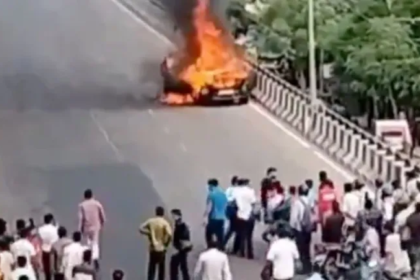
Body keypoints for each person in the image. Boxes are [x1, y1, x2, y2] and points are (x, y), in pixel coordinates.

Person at [139, 206, 172, 280]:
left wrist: (148, 233)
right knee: (161, 269)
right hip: (161, 248)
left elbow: (140, 228)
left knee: (152, 268)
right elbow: (169, 234)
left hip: (153, 248)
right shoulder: (164, 223)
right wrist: (166, 243)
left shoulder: (151, 221)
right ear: (163, 213)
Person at [78, 189, 106, 268]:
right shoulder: (97, 204)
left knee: (88, 242)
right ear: (92, 195)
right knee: (95, 242)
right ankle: (95, 257)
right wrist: (102, 223)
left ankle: (88, 257)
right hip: (96, 226)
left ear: (84, 196)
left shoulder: (82, 205)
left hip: (86, 226)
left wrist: (79, 229)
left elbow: (81, 218)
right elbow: (102, 215)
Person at [231, 178, 256, 259]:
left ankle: (241, 252)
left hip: (240, 214)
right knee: (249, 236)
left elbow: (233, 202)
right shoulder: (250, 191)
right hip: (249, 214)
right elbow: (253, 203)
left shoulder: (236, 192)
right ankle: (250, 253)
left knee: (242, 234)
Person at [204, 179, 228, 250]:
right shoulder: (223, 193)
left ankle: (210, 247)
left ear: (211, 185)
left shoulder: (211, 194)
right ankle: (221, 247)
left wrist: (205, 216)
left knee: (208, 232)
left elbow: (209, 207)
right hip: (222, 217)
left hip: (213, 217)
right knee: (220, 234)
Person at [170, 209, 191, 280]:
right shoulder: (178, 225)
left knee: (177, 266)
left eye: (174, 215)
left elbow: (184, 238)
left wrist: (179, 248)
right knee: (183, 267)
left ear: (179, 216)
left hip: (181, 250)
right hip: (180, 249)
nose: (172, 217)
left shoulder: (182, 226)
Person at [38, 214, 58, 280]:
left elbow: (40, 239)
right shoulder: (55, 229)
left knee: (47, 271)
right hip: (53, 250)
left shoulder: (40, 229)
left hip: (44, 249)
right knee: (55, 269)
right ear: (51, 220)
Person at [406, 202, 420, 278]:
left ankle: (413, 271)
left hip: (411, 240)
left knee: (413, 257)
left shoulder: (410, 217)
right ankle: (416, 273)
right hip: (418, 240)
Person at [224, 176, 239, 248]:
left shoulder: (230, 189)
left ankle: (235, 247)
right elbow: (228, 199)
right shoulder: (232, 190)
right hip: (233, 209)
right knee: (232, 229)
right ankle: (224, 243)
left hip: (233, 209)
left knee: (233, 229)